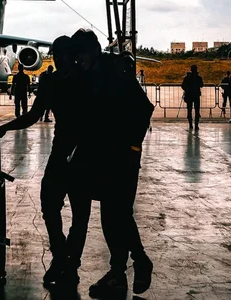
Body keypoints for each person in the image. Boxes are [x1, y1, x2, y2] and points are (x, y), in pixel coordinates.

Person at [0, 36, 90, 287]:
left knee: (79, 214)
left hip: (83, 154)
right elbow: (34, 115)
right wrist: (8, 126)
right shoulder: (53, 82)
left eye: (63, 54)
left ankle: (69, 262)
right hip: (62, 153)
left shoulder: (86, 79)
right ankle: (62, 258)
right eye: (56, 55)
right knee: (50, 207)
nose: (59, 60)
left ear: (73, 55)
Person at [68, 29, 155, 298]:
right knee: (114, 215)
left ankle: (137, 262)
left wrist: (132, 148)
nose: (77, 60)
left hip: (121, 157)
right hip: (103, 158)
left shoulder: (116, 72)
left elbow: (143, 108)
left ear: (93, 51)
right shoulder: (90, 74)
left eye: (80, 54)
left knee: (116, 215)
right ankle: (120, 273)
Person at [181, 65, 204, 130]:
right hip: (196, 96)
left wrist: (187, 88)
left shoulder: (187, 78)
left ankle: (190, 124)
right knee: (197, 111)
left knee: (189, 110)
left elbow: (183, 86)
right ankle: (196, 125)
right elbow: (202, 85)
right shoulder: (199, 77)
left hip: (189, 96)